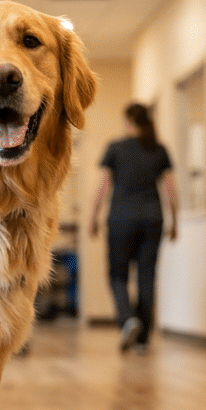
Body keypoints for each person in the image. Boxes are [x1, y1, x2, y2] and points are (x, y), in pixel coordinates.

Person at [88, 103, 179, 353]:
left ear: (128, 121)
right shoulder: (158, 149)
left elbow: (103, 187)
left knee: (117, 275)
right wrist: (175, 221)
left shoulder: (115, 148)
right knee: (146, 277)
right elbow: (170, 189)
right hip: (152, 219)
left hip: (121, 219)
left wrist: (93, 217)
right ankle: (142, 340)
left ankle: (128, 319)